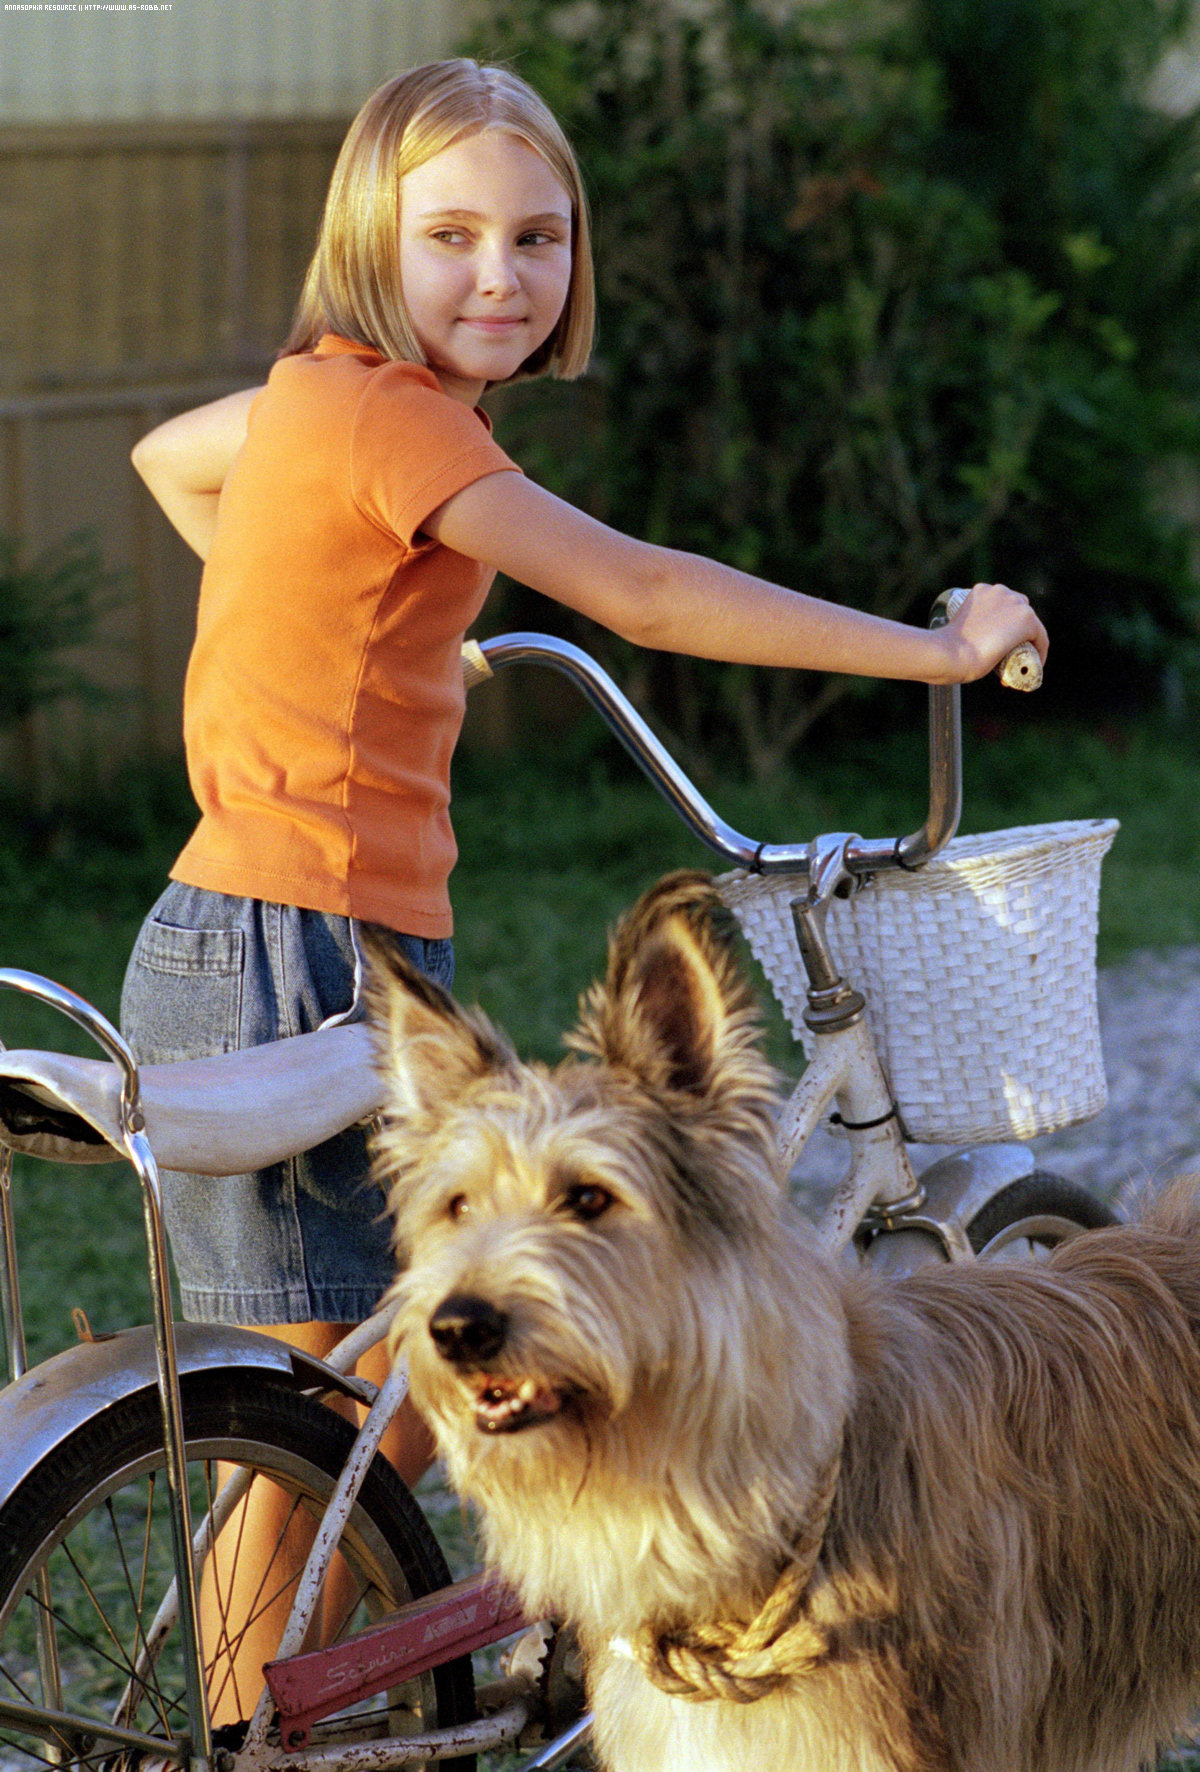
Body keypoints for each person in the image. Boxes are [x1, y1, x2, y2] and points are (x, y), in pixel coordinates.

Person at [123, 57, 1047, 1720]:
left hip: (253, 925)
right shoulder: (400, 421)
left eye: (539, 238)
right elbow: (643, 589)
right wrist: (934, 650)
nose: (502, 275)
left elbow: (172, 460)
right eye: (454, 237)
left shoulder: (327, 401)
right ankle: (233, 1726)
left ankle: (264, 1706)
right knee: (338, 1405)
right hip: (301, 939)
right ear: (369, 246)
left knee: (332, 1399)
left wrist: (362, 617)